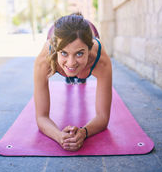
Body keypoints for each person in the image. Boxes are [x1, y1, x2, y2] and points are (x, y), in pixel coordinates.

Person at [34, 13, 112, 151]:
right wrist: (59, 136)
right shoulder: (43, 60)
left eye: (80, 53)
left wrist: (84, 132)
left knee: (79, 73)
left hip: (88, 37)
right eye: (64, 53)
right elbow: (41, 117)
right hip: (57, 38)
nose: (71, 62)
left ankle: (80, 75)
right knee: (71, 69)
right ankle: (70, 68)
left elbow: (103, 117)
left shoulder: (101, 60)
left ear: (89, 49)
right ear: (56, 50)